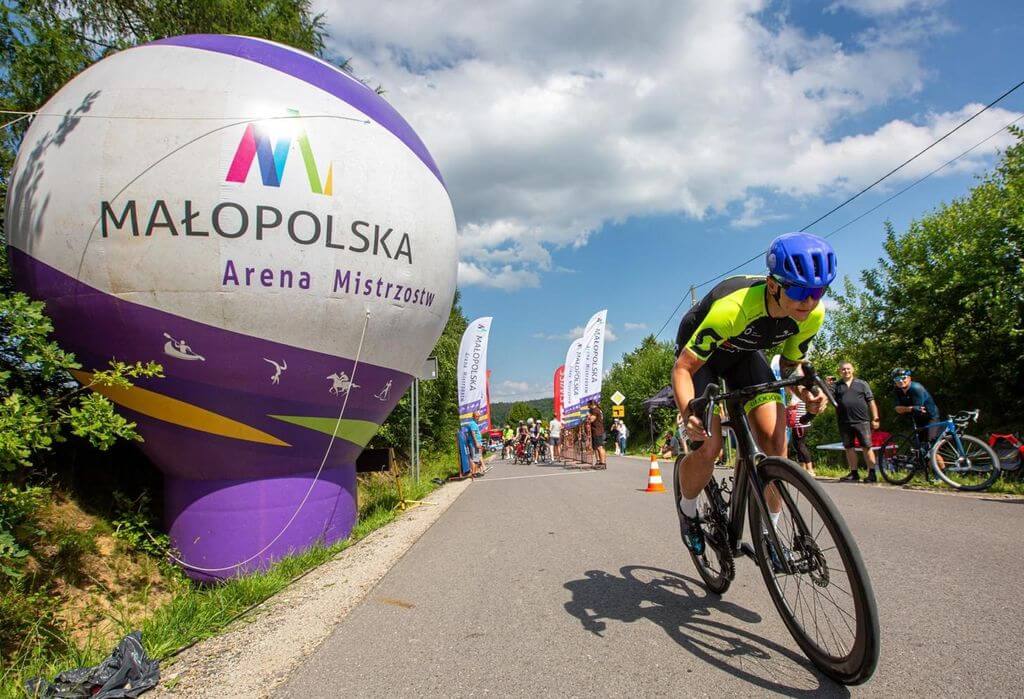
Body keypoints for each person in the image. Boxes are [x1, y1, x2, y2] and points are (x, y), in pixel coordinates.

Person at [672, 232, 834, 557]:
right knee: (710, 447)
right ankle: (688, 512)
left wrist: (808, 391)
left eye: (819, 291)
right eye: (800, 291)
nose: (809, 301)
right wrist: (690, 412)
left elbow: (789, 366)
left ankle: (769, 535)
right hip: (702, 360)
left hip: (744, 356)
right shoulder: (732, 309)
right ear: (774, 285)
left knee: (776, 446)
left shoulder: (812, 315)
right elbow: (683, 369)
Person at [834, 361, 880, 482]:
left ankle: (872, 473)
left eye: (848, 369)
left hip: (862, 421)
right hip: (844, 421)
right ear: (840, 371)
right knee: (849, 448)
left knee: (867, 447)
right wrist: (827, 384)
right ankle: (854, 473)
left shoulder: (862, 384)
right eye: (843, 369)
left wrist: (875, 418)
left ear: (853, 370)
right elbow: (828, 397)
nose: (846, 371)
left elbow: (871, 402)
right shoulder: (836, 386)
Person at [892, 368, 942, 451]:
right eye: (897, 379)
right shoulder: (897, 390)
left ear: (909, 378)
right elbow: (897, 409)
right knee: (918, 449)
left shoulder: (916, 388)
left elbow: (918, 409)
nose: (901, 381)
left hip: (930, 417)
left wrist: (906, 409)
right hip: (917, 418)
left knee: (931, 448)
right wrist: (910, 408)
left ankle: (938, 462)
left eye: (903, 377)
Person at [786, 394, 816, 476]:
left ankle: (810, 469)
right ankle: (803, 468)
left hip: (800, 425)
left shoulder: (797, 395)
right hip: (801, 425)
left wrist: (786, 407)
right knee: (798, 446)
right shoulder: (803, 395)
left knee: (801, 446)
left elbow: (792, 404)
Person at [587, 399, 607, 468]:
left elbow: (591, 420)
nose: (587, 406)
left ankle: (603, 463)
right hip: (598, 430)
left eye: (588, 404)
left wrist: (588, 416)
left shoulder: (595, 410)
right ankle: (600, 462)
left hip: (597, 431)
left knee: (599, 447)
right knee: (597, 447)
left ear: (591, 404)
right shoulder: (598, 410)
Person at [465, 411, 485, 477]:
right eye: (477, 416)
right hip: (474, 443)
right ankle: (474, 473)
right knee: (475, 458)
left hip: (477, 442)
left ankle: (475, 472)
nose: (478, 418)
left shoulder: (474, 423)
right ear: (473, 417)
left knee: (476, 458)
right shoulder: (473, 423)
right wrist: (476, 443)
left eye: (479, 416)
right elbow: (473, 434)